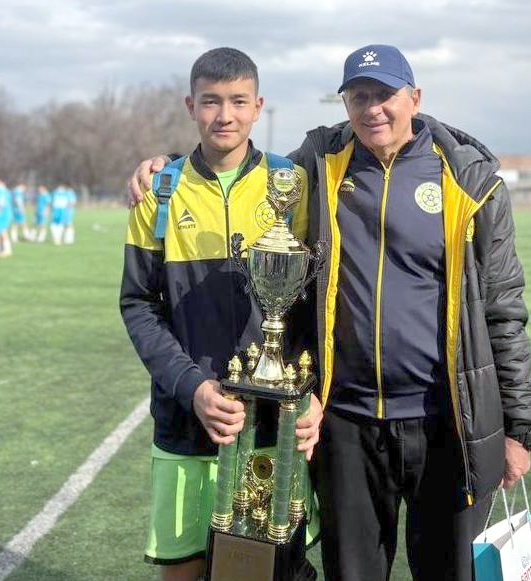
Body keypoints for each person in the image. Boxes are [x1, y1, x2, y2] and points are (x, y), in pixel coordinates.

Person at [127, 44, 531, 581]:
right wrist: (163, 166)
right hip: (345, 422)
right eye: (359, 96)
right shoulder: (318, 167)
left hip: (443, 419)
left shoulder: (468, 180)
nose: (373, 108)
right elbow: (228, 159)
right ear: (345, 104)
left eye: (385, 94)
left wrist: (519, 428)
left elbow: (504, 309)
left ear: (414, 98)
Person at [119, 47, 323, 581]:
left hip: (274, 424)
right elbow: (138, 304)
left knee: (269, 568)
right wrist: (192, 388)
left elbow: (316, 305)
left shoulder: (293, 184)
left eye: (238, 101)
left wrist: (312, 390)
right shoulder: (159, 191)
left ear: (258, 106)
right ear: (191, 106)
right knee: (183, 570)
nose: (224, 115)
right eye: (211, 101)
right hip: (187, 419)